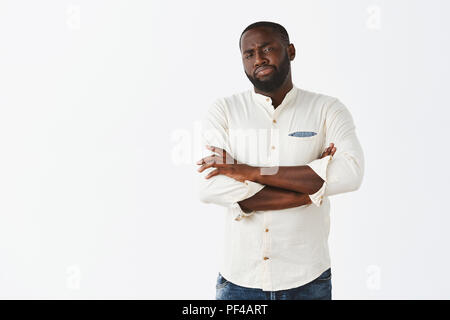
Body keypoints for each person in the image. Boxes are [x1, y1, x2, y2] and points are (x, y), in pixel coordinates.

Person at [196, 21, 364, 300]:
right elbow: (209, 187)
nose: (258, 59)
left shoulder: (327, 109)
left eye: (267, 49)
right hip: (240, 280)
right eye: (248, 54)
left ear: (291, 51)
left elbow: (350, 174)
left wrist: (248, 171)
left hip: (308, 278)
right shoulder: (224, 110)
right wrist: (309, 190)